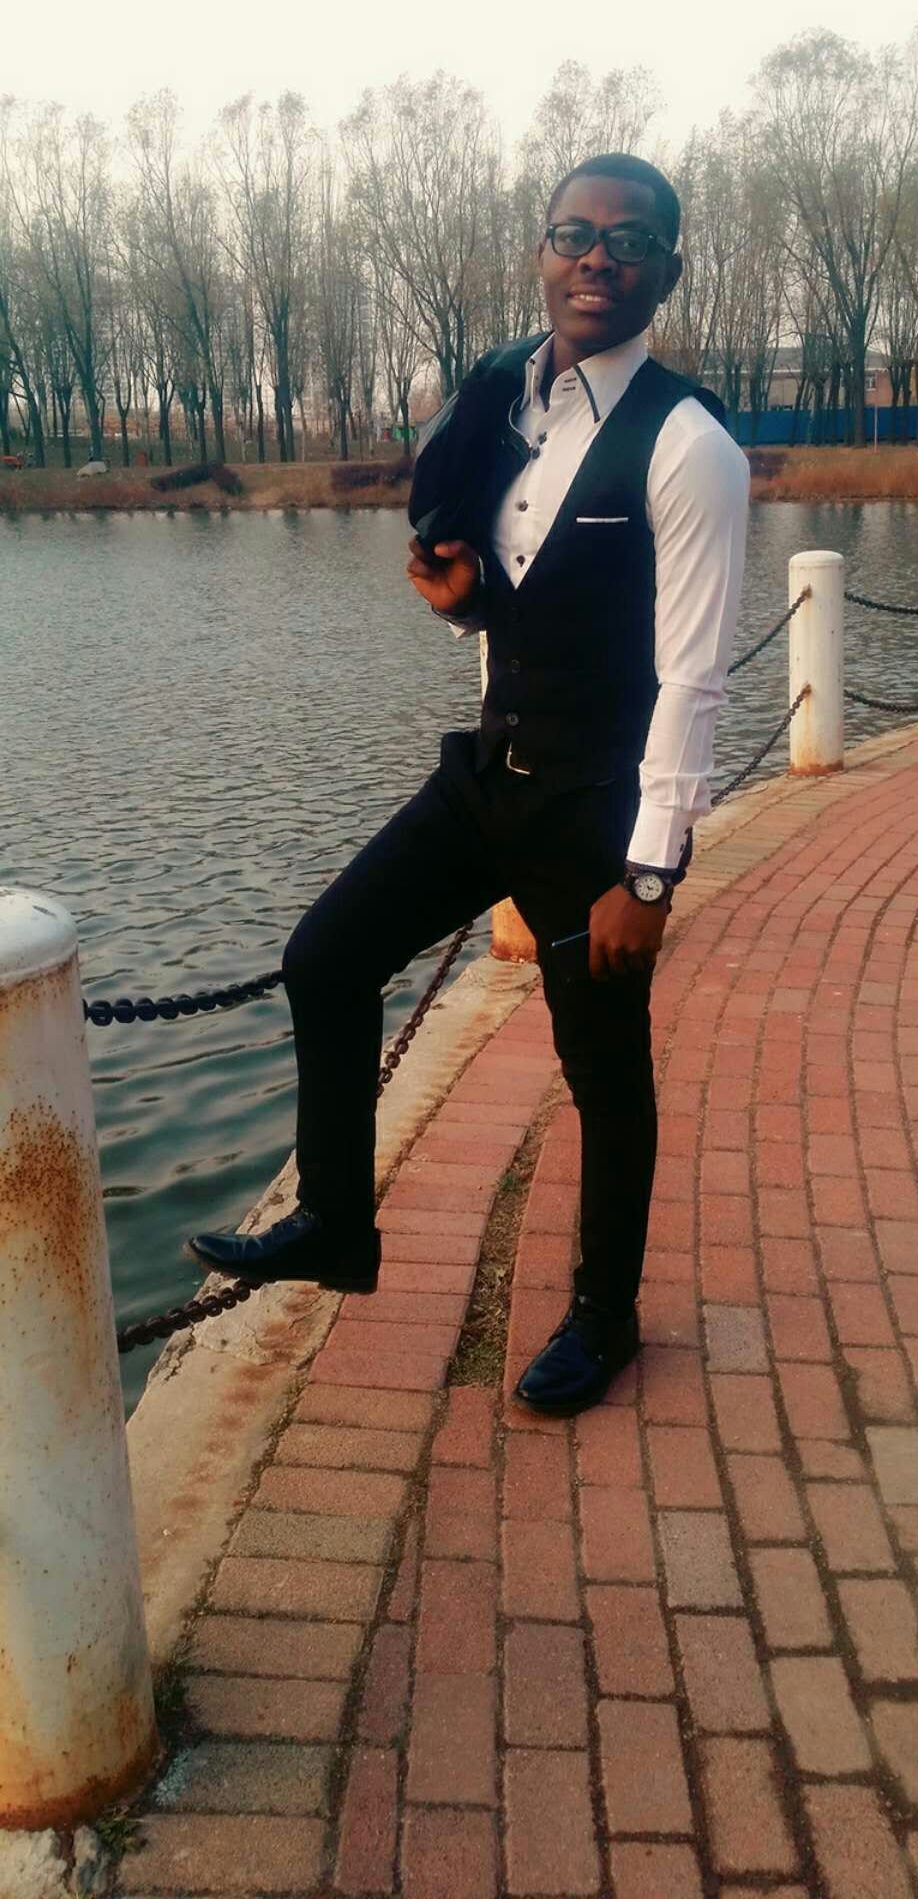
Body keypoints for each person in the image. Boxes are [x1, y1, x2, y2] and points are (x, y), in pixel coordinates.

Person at [188, 153, 749, 1416]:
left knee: (603, 1075)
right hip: (488, 778)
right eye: (574, 232)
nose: (597, 256)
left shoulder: (689, 444)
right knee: (328, 957)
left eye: (629, 240)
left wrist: (649, 875)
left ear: (668, 268)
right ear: (542, 252)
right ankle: (337, 1220)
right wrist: (464, 609)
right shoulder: (508, 408)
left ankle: (604, 1319)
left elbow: (695, 678)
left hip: (593, 816)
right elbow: (533, 609)